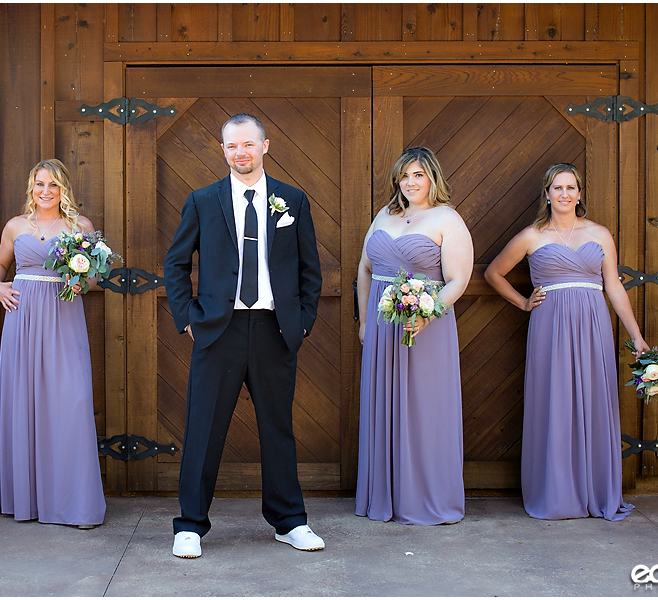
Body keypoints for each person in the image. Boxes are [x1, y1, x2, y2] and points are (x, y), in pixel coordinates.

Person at [163, 113, 324, 558]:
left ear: (265, 146)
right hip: (220, 330)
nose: (240, 153)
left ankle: (289, 522)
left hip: (274, 329)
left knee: (278, 428)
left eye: (248, 145)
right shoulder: (202, 200)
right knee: (204, 429)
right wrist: (189, 318)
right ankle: (190, 525)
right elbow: (175, 264)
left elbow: (310, 269)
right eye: (232, 146)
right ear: (223, 150)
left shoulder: (292, 200)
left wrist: (303, 320)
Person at [484, 163, 649, 521]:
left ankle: (595, 489)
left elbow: (614, 287)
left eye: (571, 187)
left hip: (593, 325)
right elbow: (493, 273)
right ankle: (557, 492)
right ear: (546, 194)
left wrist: (636, 335)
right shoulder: (531, 236)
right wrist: (524, 303)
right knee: (554, 400)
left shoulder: (600, 234)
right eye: (557, 188)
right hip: (550, 325)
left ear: (579, 193)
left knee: (593, 399)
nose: (564, 194)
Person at [355, 147, 473, 525]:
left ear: (432, 178)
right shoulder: (384, 215)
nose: (410, 182)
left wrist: (429, 313)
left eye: (418, 175)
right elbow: (365, 268)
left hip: (425, 329)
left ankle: (424, 497)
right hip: (381, 326)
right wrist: (363, 321)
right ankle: (385, 494)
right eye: (405, 176)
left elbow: (458, 279)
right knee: (382, 404)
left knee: (425, 408)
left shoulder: (446, 218)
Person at [0, 158, 106, 528]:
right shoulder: (15, 226)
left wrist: (81, 283)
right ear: (31, 187)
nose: (46, 191)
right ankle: (26, 499)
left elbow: (96, 278)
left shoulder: (79, 227)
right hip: (21, 318)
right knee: (23, 400)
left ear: (63, 190)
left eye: (53, 185)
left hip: (62, 316)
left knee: (71, 400)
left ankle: (74, 503)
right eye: (40, 184)